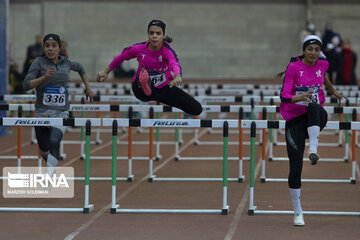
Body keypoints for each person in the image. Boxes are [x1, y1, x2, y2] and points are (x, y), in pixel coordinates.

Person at [279, 35, 344, 226]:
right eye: (310, 49)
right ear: (304, 50)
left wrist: (332, 91)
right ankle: (297, 211)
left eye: (317, 49)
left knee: (315, 106)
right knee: (295, 166)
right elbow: (283, 96)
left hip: (315, 116)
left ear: (320, 51)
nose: (313, 53)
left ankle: (313, 149)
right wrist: (300, 98)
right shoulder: (293, 68)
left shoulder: (323, 64)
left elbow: (323, 77)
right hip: (295, 119)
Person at [96, 19, 202, 116]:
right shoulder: (139, 48)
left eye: (158, 33)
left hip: (164, 88)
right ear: (148, 34)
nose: (154, 36)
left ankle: (151, 87)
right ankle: (146, 84)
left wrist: (177, 76)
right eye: (151, 33)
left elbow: (174, 63)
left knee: (196, 109)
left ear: (163, 36)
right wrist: (106, 71)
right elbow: (121, 57)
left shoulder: (167, 51)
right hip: (140, 89)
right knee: (143, 82)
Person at [23, 33, 95, 175]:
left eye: (54, 46)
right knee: (44, 149)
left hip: (60, 112)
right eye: (47, 46)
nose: (50, 49)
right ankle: (51, 162)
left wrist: (88, 87)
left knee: (54, 141)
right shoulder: (38, 63)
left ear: (59, 48)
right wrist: (44, 77)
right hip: (41, 113)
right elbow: (26, 85)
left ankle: (49, 176)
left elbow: (81, 69)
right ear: (43, 48)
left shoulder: (66, 62)